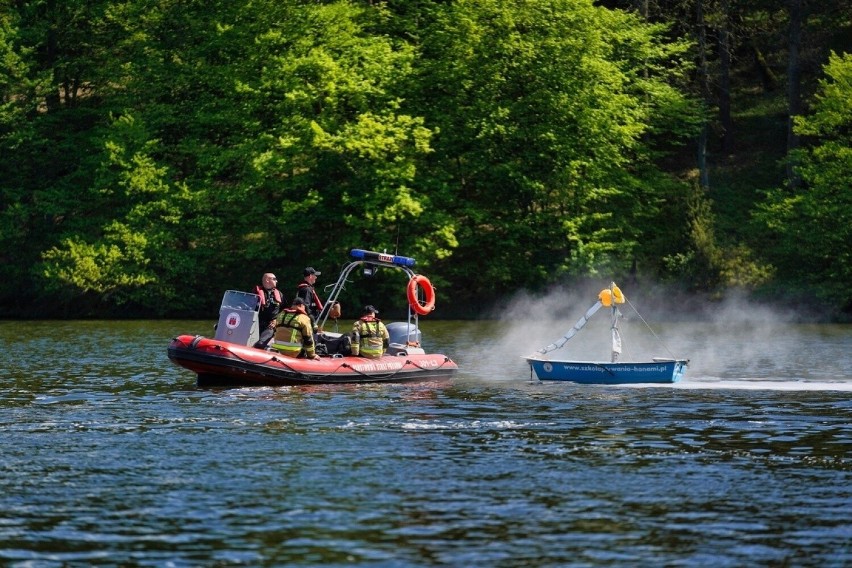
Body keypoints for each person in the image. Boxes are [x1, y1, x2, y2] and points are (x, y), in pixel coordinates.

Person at [253, 272, 286, 349]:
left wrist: (276, 320)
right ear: (267, 280)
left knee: (260, 344)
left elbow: (285, 310)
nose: (276, 281)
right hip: (255, 323)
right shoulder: (256, 292)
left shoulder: (279, 294)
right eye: (274, 279)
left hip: (269, 326)